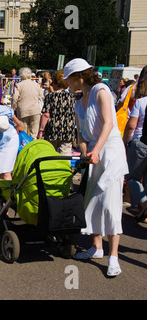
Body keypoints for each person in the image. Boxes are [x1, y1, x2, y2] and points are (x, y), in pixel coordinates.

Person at [64, 58, 128, 277]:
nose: (68, 84)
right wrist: (85, 151)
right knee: (92, 201)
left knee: (110, 205)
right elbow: (80, 133)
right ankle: (97, 247)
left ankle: (114, 257)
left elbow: (109, 123)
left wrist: (97, 150)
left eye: (69, 79)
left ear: (79, 77)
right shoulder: (77, 102)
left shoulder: (102, 91)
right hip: (94, 154)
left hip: (109, 152)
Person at [122, 73, 147, 223]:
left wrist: (125, 141)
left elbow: (131, 126)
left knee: (131, 176)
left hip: (139, 142)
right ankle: (142, 208)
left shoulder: (141, 102)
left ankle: (143, 204)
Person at [37, 70, 76, 156]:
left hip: (52, 130)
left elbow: (46, 115)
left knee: (50, 154)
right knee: (65, 156)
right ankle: (65, 168)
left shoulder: (50, 96)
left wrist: (41, 131)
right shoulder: (72, 97)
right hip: (67, 130)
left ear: (55, 83)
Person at [11, 67, 44, 139]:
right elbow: (42, 97)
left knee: (23, 133)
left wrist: (13, 109)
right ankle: (33, 148)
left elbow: (14, 98)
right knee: (34, 133)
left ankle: (25, 148)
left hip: (23, 111)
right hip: (35, 110)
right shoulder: (36, 85)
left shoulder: (19, 85)